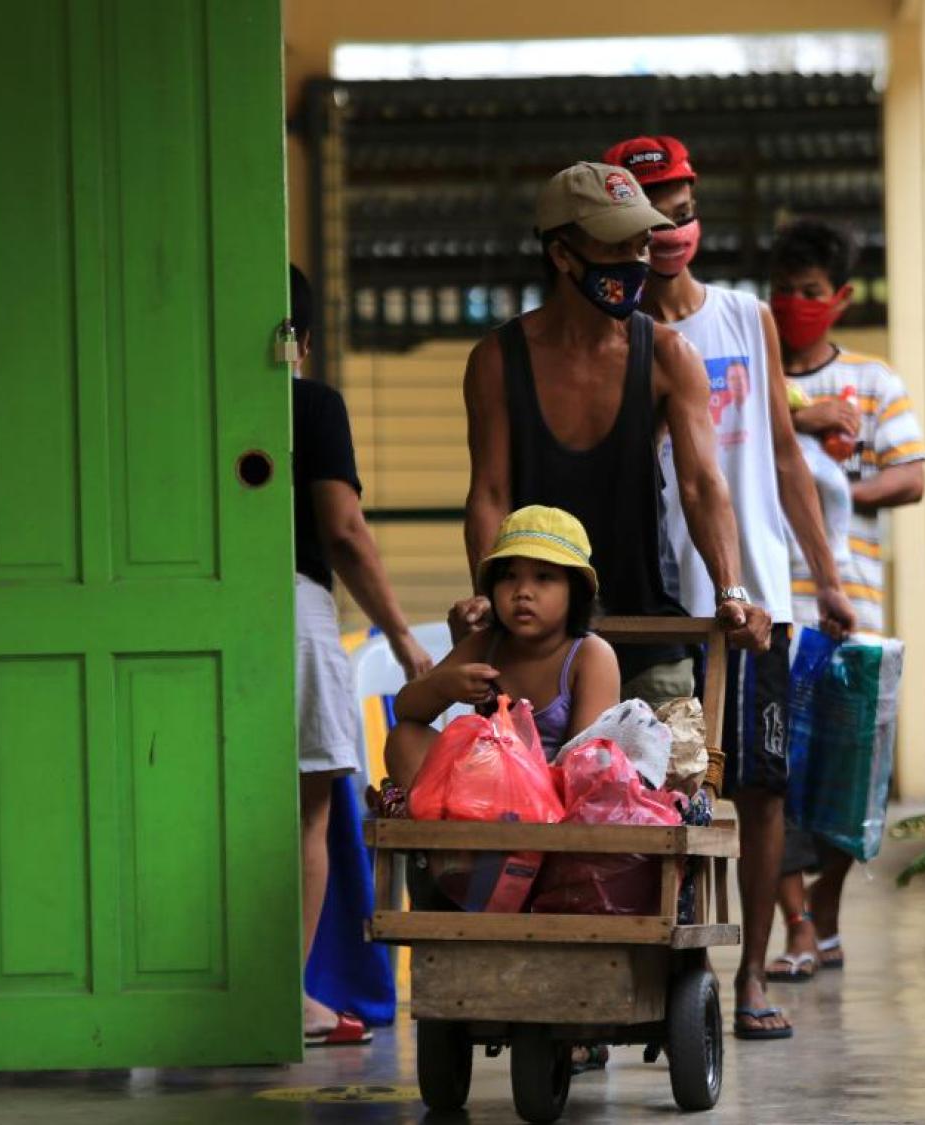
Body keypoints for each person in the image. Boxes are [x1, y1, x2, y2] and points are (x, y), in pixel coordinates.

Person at [602, 135, 858, 1042]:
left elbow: (785, 457)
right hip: (665, 603)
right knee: (664, 791)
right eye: (651, 201)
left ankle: (750, 973)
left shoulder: (747, 319)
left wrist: (823, 576)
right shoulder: (619, 336)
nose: (671, 218)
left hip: (760, 606)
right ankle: (670, 975)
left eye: (680, 198)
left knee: (762, 789)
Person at [452, 162, 771, 701]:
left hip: (650, 632)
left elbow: (701, 485)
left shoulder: (669, 356)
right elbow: (490, 492)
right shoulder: (497, 361)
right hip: (535, 647)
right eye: (616, 246)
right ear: (561, 254)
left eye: (641, 245)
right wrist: (487, 596)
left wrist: (731, 590)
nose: (635, 263)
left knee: (667, 781)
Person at [764, 217, 925, 981]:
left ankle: (823, 911)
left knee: (847, 776)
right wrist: (799, 426)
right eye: (783, 291)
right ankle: (798, 926)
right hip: (771, 610)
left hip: (850, 608)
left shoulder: (873, 381)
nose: (795, 303)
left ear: (842, 297)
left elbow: (913, 475)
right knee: (775, 782)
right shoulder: (758, 382)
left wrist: (829, 488)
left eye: (810, 291)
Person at [289, 263, 433, 1045]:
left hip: (184, 613)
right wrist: (404, 634)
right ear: (302, 341)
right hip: (290, 609)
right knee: (308, 811)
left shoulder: (174, 404)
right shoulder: (310, 404)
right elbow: (343, 531)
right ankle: (284, 996)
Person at [385, 505, 620, 783]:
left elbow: (584, 763)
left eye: (543, 577)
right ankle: (448, 821)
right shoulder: (486, 644)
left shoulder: (590, 655)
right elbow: (404, 710)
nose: (522, 592)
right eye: (509, 577)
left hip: (556, 800)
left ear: (576, 591)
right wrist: (442, 686)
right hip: (486, 789)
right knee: (404, 739)